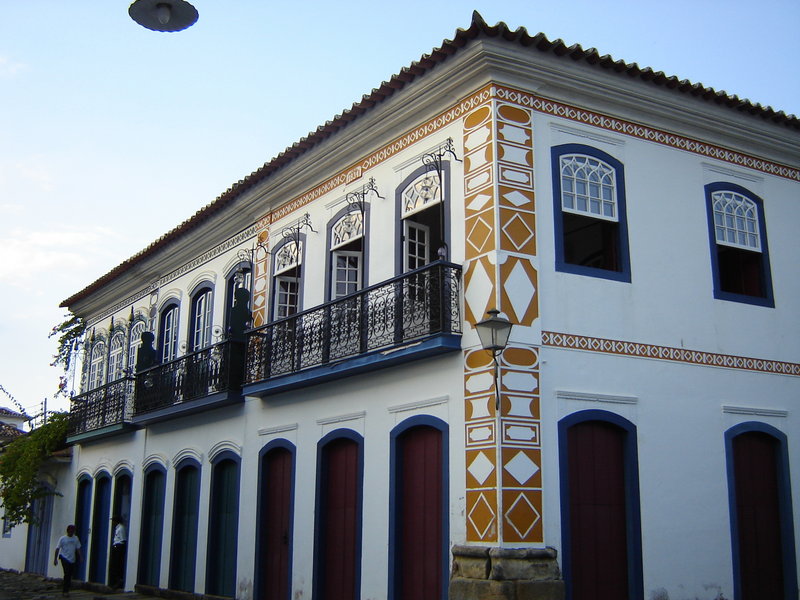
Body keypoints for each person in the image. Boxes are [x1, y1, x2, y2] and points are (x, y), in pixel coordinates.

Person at [53, 524, 82, 597]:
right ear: (68, 531)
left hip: (72, 559)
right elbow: (57, 548)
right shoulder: (62, 538)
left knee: (70, 575)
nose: (71, 532)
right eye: (70, 531)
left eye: (73, 531)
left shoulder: (76, 539)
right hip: (64, 557)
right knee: (67, 573)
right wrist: (55, 559)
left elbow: (78, 548)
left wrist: (80, 557)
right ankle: (65, 591)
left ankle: (67, 589)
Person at [109, 515, 127, 589]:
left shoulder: (121, 528)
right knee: (113, 565)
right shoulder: (117, 528)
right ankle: (114, 582)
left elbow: (123, 539)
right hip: (116, 546)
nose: (112, 522)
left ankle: (118, 582)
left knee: (117, 564)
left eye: (113, 521)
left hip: (119, 546)